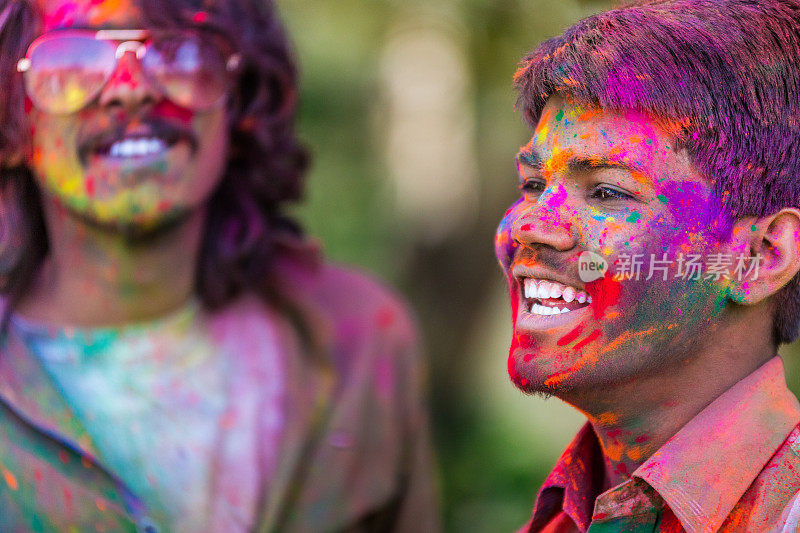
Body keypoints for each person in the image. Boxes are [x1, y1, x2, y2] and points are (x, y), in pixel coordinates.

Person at [0, 0, 439, 531]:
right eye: (71, 60)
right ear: (12, 114)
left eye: (178, 53)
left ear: (240, 99)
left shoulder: (363, 343)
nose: (132, 87)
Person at [495, 0, 800, 531]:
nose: (527, 226)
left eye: (608, 192)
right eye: (534, 185)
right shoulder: (565, 514)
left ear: (760, 257)